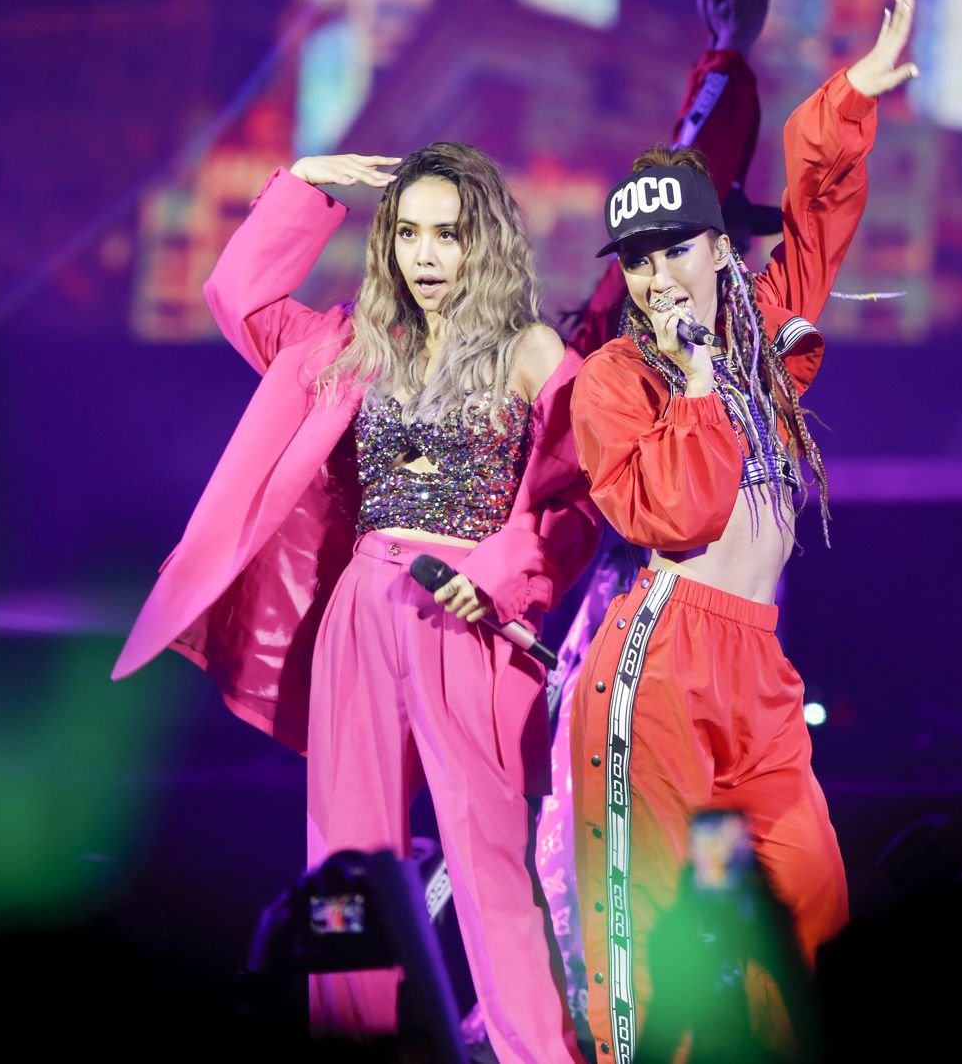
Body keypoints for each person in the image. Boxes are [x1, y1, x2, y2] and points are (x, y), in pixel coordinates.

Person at [111, 143, 601, 1063]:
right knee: (347, 868)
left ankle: (538, 1054)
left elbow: (576, 500)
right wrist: (304, 183)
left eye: (448, 235)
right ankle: (354, 1047)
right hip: (361, 612)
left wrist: (503, 578)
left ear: (487, 240)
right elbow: (238, 298)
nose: (425, 255)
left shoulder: (535, 353)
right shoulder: (349, 346)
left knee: (491, 858)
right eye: (408, 233)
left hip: (466, 618)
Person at [566, 2, 919, 1059]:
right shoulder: (615, 380)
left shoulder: (764, 338)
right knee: (654, 946)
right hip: (660, 667)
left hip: (755, 668)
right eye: (637, 260)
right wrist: (697, 379)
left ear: (721, 249)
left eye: (677, 248)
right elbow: (676, 510)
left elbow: (817, 219)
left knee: (809, 898)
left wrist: (852, 96)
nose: (656, 276)